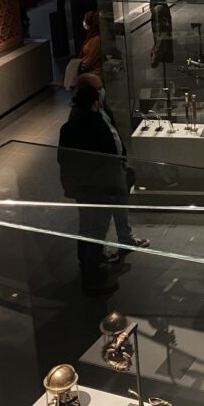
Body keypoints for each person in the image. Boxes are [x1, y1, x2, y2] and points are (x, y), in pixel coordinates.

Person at [57, 86, 149, 295]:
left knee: (86, 228)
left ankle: (86, 266)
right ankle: (93, 279)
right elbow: (108, 159)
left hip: (84, 186)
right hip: (100, 187)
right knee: (97, 231)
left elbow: (63, 160)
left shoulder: (68, 127)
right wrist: (115, 183)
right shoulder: (96, 126)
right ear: (94, 102)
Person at [78, 10, 103, 83]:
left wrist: (79, 65)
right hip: (92, 73)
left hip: (96, 75)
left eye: (85, 20)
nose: (84, 23)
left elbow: (89, 60)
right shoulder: (91, 36)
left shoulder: (96, 40)